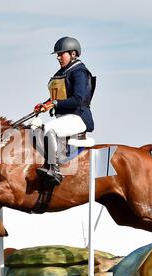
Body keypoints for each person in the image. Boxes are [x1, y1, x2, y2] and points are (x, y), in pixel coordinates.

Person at [34, 36, 96, 185]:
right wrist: (45, 104)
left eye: (61, 54)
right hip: (65, 117)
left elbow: (78, 99)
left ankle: (54, 169)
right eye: (58, 54)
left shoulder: (79, 72)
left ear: (73, 54)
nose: (58, 57)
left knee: (49, 128)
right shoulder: (63, 72)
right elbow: (58, 97)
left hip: (79, 116)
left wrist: (54, 103)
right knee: (35, 126)